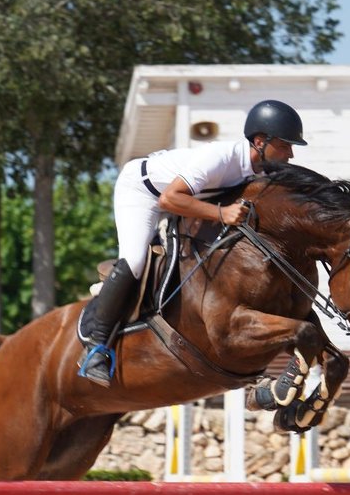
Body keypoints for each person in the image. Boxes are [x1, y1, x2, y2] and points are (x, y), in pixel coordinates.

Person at [78, 99, 304, 384]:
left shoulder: (261, 171)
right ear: (260, 141)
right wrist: (222, 214)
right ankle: (97, 347)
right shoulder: (222, 157)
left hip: (185, 200)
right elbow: (169, 199)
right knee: (135, 260)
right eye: (285, 145)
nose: (291, 153)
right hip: (144, 191)